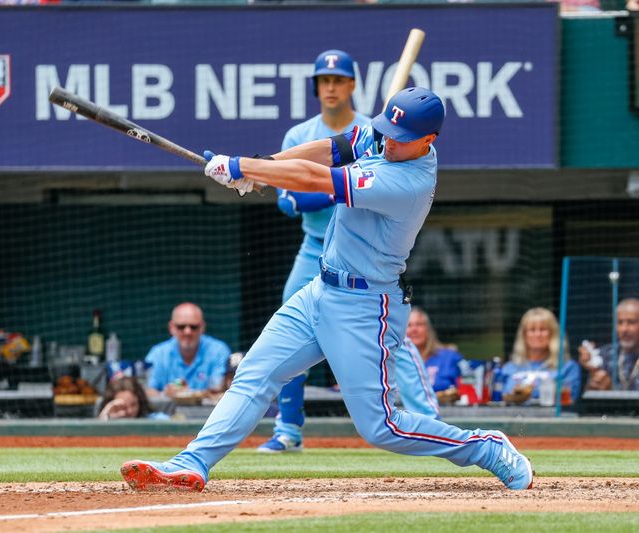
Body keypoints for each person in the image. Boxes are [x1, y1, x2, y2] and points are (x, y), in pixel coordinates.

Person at [120, 86, 533, 493]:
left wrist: (243, 166)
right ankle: (192, 461)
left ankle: (485, 446)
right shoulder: (387, 139)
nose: (388, 141)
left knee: (382, 428)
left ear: (429, 140)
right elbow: (329, 150)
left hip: (365, 305)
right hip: (320, 289)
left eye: (401, 138)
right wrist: (262, 166)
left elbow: (317, 178)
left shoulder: (408, 183)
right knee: (254, 374)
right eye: (387, 130)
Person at [258, 49, 371, 453]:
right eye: (325, 81)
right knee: (288, 329)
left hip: (359, 250)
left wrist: (324, 187)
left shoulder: (370, 133)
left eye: (338, 80)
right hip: (314, 247)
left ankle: (401, 418)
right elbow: (288, 202)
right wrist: (335, 188)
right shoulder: (298, 136)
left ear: (352, 85)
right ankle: (288, 429)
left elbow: (372, 193)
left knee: (376, 338)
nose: (331, 87)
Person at [143, 302, 231, 399]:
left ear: (202, 327)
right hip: (169, 412)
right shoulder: (158, 354)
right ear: (171, 328)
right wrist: (164, 394)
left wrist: (189, 394)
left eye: (193, 327)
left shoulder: (219, 351)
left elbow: (221, 389)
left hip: (209, 412)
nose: (187, 332)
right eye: (181, 327)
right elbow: (147, 391)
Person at [501, 307, 581, 404]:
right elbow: (498, 400)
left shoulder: (567, 367)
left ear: (553, 333)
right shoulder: (509, 367)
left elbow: (568, 402)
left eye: (543, 329)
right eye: (532, 329)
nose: (537, 334)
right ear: (524, 335)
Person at [406, 307, 476, 395]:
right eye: (408, 325)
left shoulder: (450, 357)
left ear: (428, 329)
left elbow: (472, 385)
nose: (414, 330)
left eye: (419, 324)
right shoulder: (393, 362)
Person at [579, 298, 639, 392]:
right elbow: (589, 397)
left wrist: (612, 390)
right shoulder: (606, 353)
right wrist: (593, 371)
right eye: (620, 322)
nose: (624, 329)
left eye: (631, 322)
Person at [97, 376, 168, 421]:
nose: (130, 411)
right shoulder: (107, 418)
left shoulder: (156, 420)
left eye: (133, 404)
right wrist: (105, 416)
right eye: (123, 406)